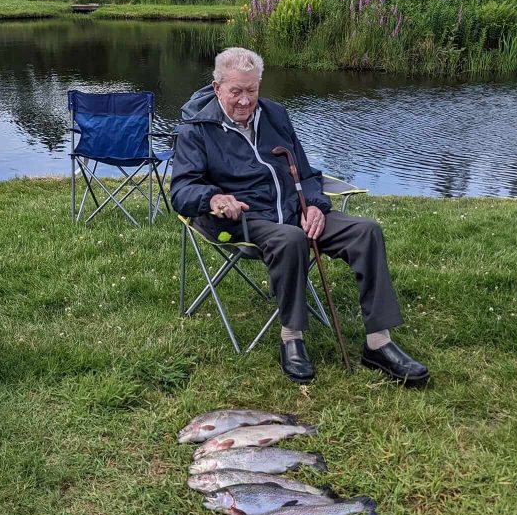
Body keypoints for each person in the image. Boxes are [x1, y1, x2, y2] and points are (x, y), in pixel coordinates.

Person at [170, 47, 429, 385]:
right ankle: (291, 338)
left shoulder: (276, 115)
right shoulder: (196, 128)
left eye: (252, 90)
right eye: (236, 91)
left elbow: (306, 175)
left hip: (296, 211)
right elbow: (182, 191)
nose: (245, 101)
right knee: (290, 239)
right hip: (243, 221)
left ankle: (379, 344)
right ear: (217, 87)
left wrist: (317, 207)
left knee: (367, 231)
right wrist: (214, 198)